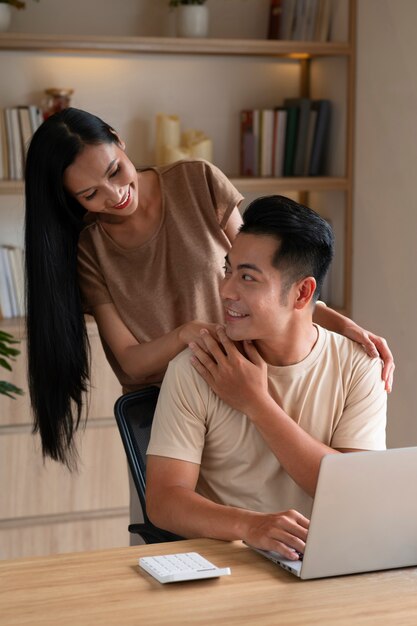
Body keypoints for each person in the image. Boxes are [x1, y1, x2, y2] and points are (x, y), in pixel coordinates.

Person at [25, 108, 392, 520]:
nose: (114, 196)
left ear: (118, 139)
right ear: (71, 200)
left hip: (248, 369)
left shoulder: (196, 180)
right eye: (90, 195)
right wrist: (188, 335)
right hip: (179, 402)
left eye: (115, 171)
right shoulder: (90, 249)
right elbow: (130, 361)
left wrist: (341, 326)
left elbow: (264, 271)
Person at [146, 195, 387, 559]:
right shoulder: (197, 366)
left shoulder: (359, 367)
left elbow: (357, 494)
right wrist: (251, 526)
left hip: (325, 561)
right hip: (228, 565)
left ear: (302, 292)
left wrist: (257, 404)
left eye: (247, 277)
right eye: (228, 270)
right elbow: (164, 501)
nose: (225, 290)